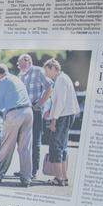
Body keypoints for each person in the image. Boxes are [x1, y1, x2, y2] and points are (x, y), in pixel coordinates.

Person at [0, 65, 33, 186]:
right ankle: (26, 179)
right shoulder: (16, 79)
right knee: (25, 148)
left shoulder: (4, 81)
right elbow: (11, 99)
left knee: (7, 146)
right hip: (28, 112)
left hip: (15, 115)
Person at [43, 58, 79, 187]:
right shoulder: (63, 78)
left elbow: (61, 102)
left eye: (47, 71)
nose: (46, 74)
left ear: (53, 68)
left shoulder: (61, 80)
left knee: (56, 147)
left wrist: (53, 120)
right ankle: (63, 177)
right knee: (62, 148)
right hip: (66, 115)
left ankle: (59, 178)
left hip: (62, 117)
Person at [18, 54, 52, 177]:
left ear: (28, 61)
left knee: (35, 141)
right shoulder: (20, 75)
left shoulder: (38, 71)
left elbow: (49, 87)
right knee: (23, 141)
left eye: (20, 63)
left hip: (36, 111)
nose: (19, 66)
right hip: (24, 111)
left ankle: (34, 171)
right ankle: (25, 170)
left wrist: (40, 104)